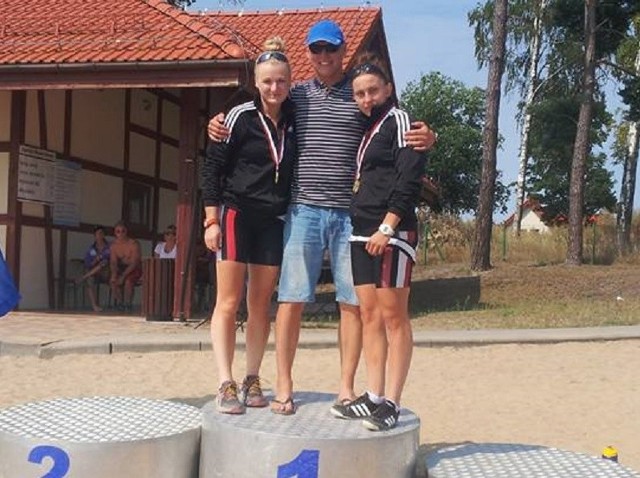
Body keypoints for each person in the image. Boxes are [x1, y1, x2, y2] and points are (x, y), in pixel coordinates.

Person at [209, 20, 436, 415]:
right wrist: (216, 123)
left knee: (352, 305)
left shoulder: (358, 93)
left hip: (349, 216)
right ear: (308, 54)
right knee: (291, 299)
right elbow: (260, 107)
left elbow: (392, 131)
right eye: (317, 50)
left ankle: (346, 387)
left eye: (331, 49)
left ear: (343, 50)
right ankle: (283, 384)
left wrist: (426, 136)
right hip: (302, 211)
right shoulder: (296, 96)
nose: (324, 56)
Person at [331, 54, 425, 431]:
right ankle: (372, 396)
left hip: (391, 233)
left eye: (372, 91)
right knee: (368, 315)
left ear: (387, 89)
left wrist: (388, 227)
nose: (366, 98)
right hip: (359, 230)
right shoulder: (367, 127)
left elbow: (409, 178)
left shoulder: (401, 121)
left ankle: (393, 403)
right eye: (359, 94)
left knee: (393, 318)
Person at [203, 37, 297, 415]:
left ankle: (252, 376)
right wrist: (211, 220)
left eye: (281, 82)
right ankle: (225, 381)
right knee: (228, 301)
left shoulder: (295, 117)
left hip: (272, 220)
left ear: (290, 83)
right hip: (235, 214)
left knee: (260, 305)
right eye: (267, 82)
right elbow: (212, 168)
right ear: (256, 83)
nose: (274, 89)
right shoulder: (238, 117)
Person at [109, 221, 142, 312]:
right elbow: (113, 262)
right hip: (121, 267)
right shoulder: (113, 246)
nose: (121, 234)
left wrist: (123, 276)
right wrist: (114, 274)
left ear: (126, 231)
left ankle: (128, 304)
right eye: (118, 231)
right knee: (113, 281)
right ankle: (120, 303)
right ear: (115, 233)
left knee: (128, 281)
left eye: (123, 231)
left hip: (134, 268)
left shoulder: (134, 244)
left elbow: (134, 262)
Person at [77, 225, 110, 312]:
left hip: (106, 272)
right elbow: (88, 263)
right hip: (94, 272)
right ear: (95, 236)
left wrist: (99, 259)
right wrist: (94, 261)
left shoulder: (109, 247)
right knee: (90, 280)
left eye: (101, 233)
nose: (99, 236)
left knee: (103, 263)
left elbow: (107, 259)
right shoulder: (91, 249)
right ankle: (94, 305)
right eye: (97, 234)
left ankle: (84, 277)